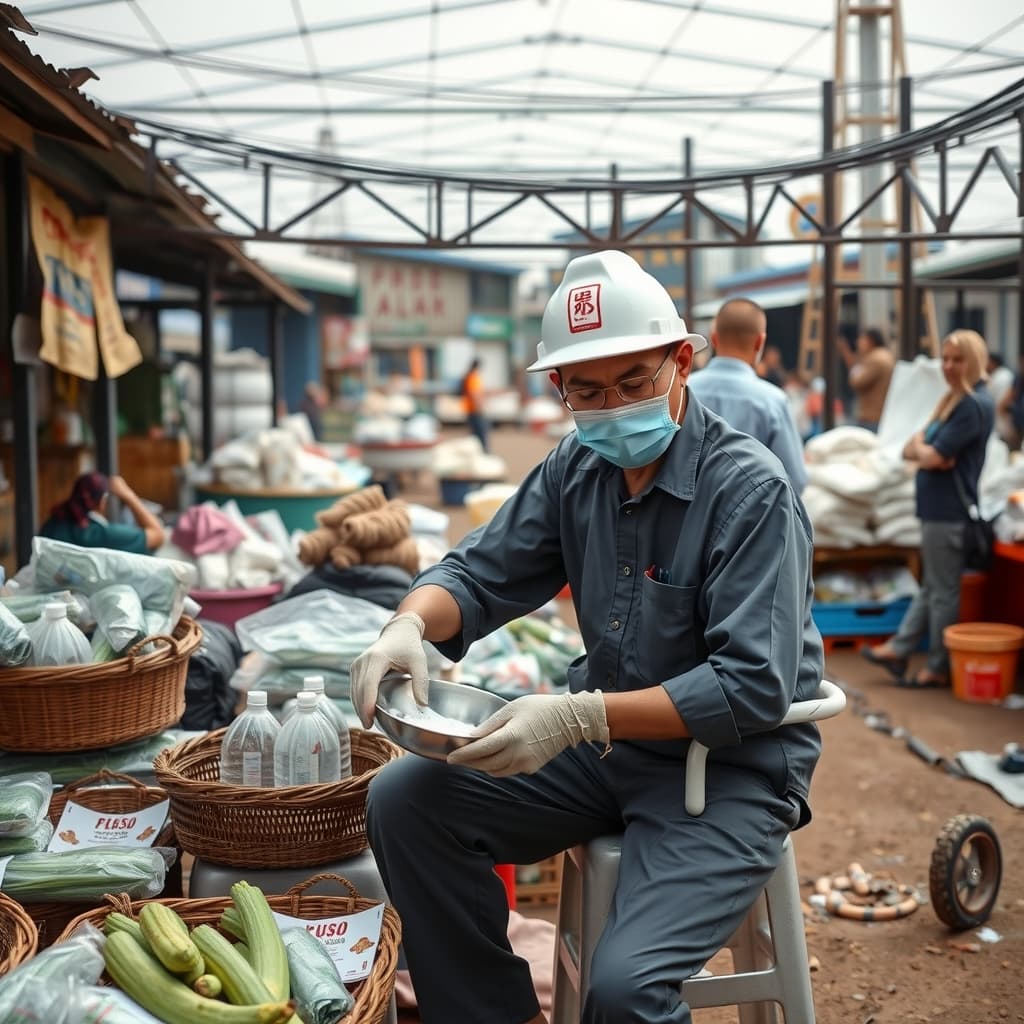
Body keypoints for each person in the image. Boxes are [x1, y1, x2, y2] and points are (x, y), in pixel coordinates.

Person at [353, 250, 824, 1024]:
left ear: (681, 361)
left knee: (626, 991)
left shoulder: (750, 492)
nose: (613, 407)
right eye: (588, 391)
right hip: (608, 755)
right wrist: (408, 623)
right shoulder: (577, 469)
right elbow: (476, 573)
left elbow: (752, 685)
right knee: (407, 800)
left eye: (635, 381)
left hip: (730, 773)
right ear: (556, 388)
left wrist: (580, 717)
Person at [862, 329, 994, 689]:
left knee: (943, 591)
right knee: (934, 587)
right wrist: (926, 452)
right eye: (946, 359)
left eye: (957, 360)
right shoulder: (952, 401)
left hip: (949, 512)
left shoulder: (971, 406)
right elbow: (913, 449)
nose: (948, 367)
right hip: (937, 511)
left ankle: (936, 665)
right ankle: (899, 648)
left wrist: (927, 451)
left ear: (974, 361)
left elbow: (931, 453)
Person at [688, 297, 808, 492]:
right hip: (752, 518)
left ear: (714, 339)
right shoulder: (773, 401)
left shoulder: (684, 389)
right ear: (760, 342)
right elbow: (795, 479)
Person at [39, 472, 164, 553]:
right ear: (102, 502)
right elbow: (157, 536)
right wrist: (128, 495)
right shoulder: (96, 534)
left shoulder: (51, 525)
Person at [840, 327, 895, 431]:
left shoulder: (876, 359)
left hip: (872, 417)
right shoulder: (883, 355)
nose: (858, 343)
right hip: (880, 415)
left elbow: (856, 381)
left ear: (871, 340)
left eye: (862, 339)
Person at [461, 357, 490, 452]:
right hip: (475, 410)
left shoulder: (470, 376)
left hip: (472, 410)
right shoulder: (472, 377)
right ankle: (483, 453)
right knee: (480, 435)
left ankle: (481, 452)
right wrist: (480, 407)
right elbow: (474, 394)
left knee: (476, 434)